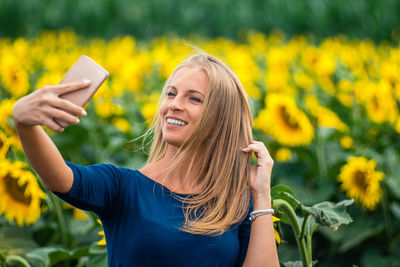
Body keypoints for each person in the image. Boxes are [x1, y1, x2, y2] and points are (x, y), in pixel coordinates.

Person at [13, 54, 279, 266]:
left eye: (194, 98)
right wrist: (25, 124)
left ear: (221, 118)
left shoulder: (234, 204)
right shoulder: (124, 188)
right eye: (171, 93)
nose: (174, 104)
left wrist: (261, 194)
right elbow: (60, 177)